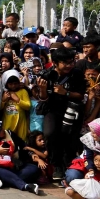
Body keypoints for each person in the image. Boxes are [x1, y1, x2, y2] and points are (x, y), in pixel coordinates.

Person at [38, 48, 86, 181]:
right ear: (55, 63)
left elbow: (81, 95)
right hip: (52, 110)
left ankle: (70, 167)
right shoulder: (46, 75)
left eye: (71, 62)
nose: (69, 65)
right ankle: (56, 166)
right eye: (65, 63)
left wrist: (66, 93)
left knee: (70, 139)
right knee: (50, 133)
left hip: (72, 110)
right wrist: (42, 90)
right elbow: (42, 99)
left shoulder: (76, 74)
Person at [1, 74, 31, 141]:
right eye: (10, 84)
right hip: (8, 123)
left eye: (15, 83)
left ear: (18, 83)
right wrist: (3, 100)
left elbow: (28, 106)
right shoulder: (5, 93)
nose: (13, 86)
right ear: (7, 84)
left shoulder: (23, 91)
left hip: (21, 123)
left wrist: (17, 99)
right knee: (9, 142)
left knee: (22, 141)